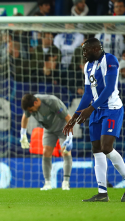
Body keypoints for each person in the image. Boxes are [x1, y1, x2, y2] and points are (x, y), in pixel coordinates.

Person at [63, 38, 125, 202]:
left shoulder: (110, 60)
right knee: (97, 149)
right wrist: (74, 117)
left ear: (97, 48)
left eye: (86, 51)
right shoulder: (88, 66)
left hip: (111, 109)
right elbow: (87, 95)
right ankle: (102, 193)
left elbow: (110, 88)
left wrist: (91, 108)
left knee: (106, 147)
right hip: (97, 111)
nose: (84, 54)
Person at [20, 94, 73, 191]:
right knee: (46, 152)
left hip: (63, 128)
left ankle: (65, 182)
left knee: (65, 151)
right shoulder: (30, 106)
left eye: (31, 109)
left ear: (36, 102)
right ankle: (47, 183)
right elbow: (25, 117)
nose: (30, 112)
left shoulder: (51, 101)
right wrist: (22, 134)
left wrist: (70, 136)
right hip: (49, 129)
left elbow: (67, 117)